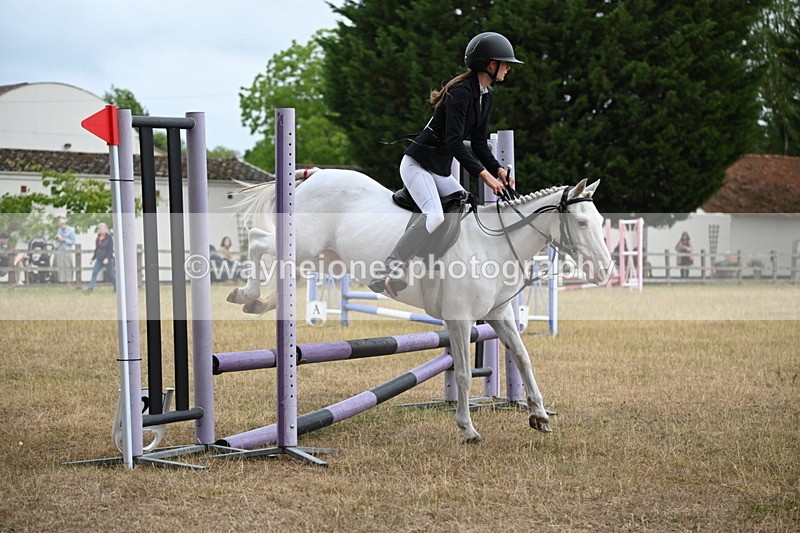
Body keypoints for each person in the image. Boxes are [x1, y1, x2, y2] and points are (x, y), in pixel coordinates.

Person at [368, 31, 522, 296]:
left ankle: (431, 263)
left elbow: (478, 144)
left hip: (437, 169)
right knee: (435, 215)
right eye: (504, 62)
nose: (508, 68)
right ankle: (390, 269)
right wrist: (485, 176)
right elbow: (453, 143)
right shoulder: (462, 93)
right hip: (417, 164)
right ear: (489, 64)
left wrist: (498, 169)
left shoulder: (486, 95)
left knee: (464, 203)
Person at [86, 223, 116, 293]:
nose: (101, 230)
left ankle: (116, 287)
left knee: (111, 274)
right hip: (99, 259)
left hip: (108, 259)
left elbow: (110, 250)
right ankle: (91, 288)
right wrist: (92, 258)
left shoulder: (109, 239)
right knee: (94, 272)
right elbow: (97, 249)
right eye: (100, 229)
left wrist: (107, 258)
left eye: (102, 229)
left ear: (106, 229)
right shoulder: (98, 239)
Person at [53, 218, 76, 283]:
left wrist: (64, 240)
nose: (61, 226)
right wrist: (57, 238)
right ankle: (61, 280)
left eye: (62, 224)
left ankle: (68, 280)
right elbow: (57, 238)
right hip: (60, 248)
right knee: (60, 264)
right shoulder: (59, 230)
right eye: (60, 225)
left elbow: (73, 241)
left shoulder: (71, 230)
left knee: (68, 264)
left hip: (67, 249)